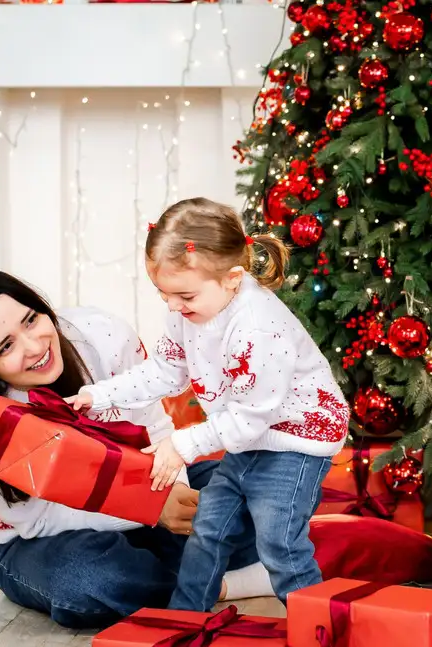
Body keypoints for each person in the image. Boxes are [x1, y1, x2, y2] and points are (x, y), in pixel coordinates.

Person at [0, 269, 266, 629]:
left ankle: (175, 566)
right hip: (52, 537)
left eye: (31, 320)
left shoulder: (103, 335)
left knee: (258, 485)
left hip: (148, 490)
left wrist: (172, 490)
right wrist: (149, 509)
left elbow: (155, 425)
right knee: (90, 579)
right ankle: (218, 584)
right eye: (6, 347)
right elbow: (40, 519)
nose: (35, 346)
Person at [68, 197, 349, 612]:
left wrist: (182, 444)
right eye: (163, 294)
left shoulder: (258, 327)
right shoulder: (187, 313)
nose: (172, 306)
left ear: (233, 279)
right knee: (208, 530)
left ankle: (318, 628)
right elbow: (163, 372)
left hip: (295, 443)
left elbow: (254, 416)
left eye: (183, 295)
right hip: (248, 438)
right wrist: (99, 394)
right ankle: (183, 618)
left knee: (279, 542)